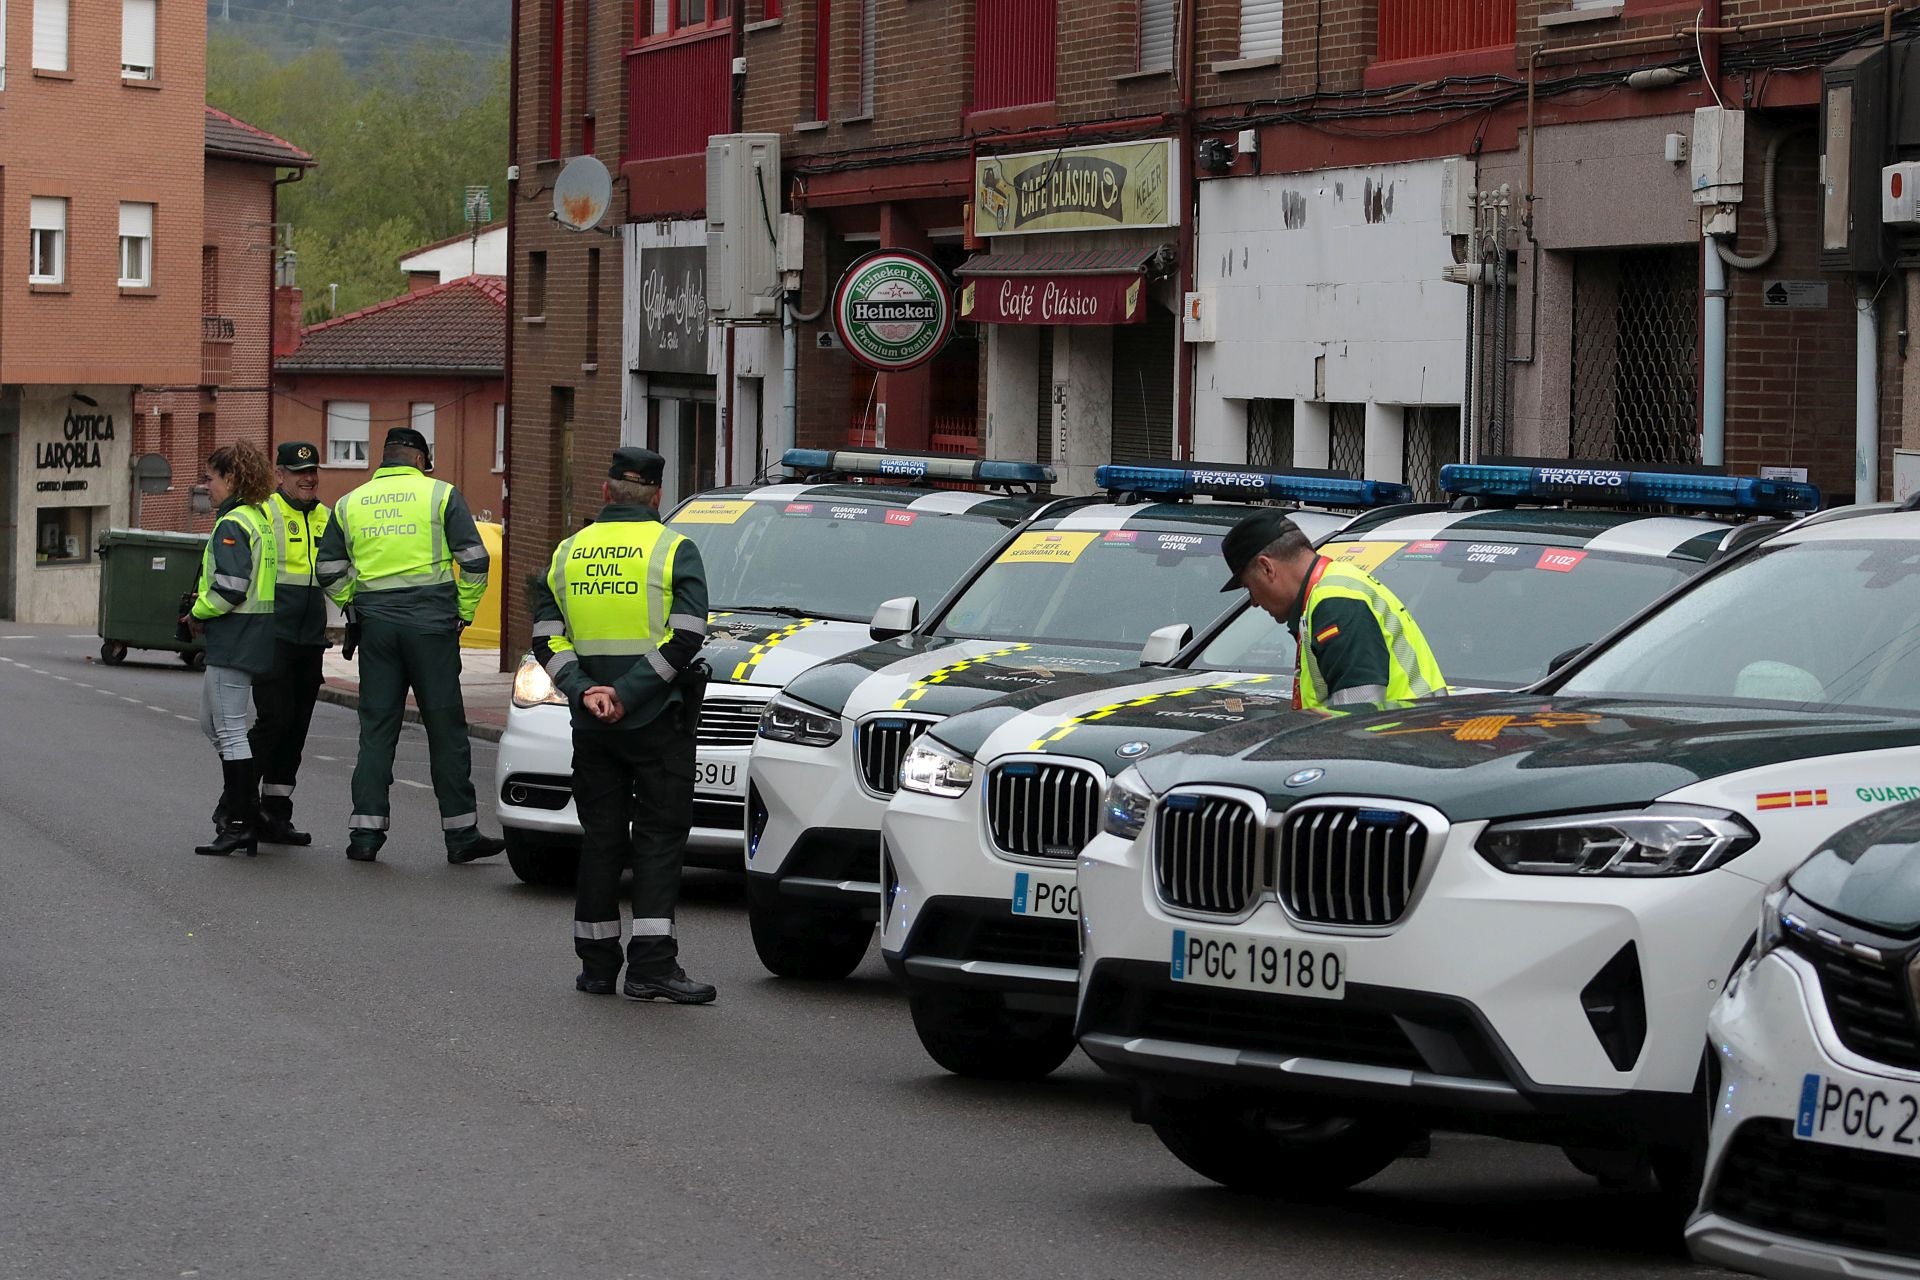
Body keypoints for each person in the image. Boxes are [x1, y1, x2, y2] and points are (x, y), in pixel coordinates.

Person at [529, 446, 715, 1004]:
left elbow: (546, 641)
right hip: (658, 722)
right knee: (658, 842)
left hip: (592, 727)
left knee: (601, 840)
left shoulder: (566, 555)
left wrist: (588, 693)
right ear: (657, 496)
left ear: (607, 492)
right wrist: (628, 695)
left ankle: (596, 967)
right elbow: (686, 637)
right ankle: (652, 967)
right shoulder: (674, 549)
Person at [314, 424, 506, 864]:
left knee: (377, 730)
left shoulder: (349, 503)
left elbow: (328, 568)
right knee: (446, 731)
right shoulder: (440, 495)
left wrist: (353, 604)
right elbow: (475, 561)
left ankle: (364, 836)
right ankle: (460, 836)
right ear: (420, 459)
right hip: (432, 627)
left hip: (377, 629)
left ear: (385, 458)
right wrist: (464, 610)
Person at [1219, 508, 1447, 710]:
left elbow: (1355, 720)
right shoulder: (1334, 588)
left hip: (1399, 749)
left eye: (1250, 587)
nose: (1254, 602)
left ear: (1267, 567)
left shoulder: (1336, 602)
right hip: (1409, 743)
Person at [185, 439, 280, 857]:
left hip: (235, 636)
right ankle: (246, 810)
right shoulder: (255, 517)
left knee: (229, 731)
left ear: (232, 478)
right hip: (247, 636)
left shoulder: (233, 524)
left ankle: (240, 821)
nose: (206, 486)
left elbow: (231, 587)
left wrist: (197, 614)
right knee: (214, 726)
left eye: (211, 477)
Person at [243, 440, 332, 846]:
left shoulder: (329, 518)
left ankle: (276, 814)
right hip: (272, 637)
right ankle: (237, 805)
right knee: (273, 722)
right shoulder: (265, 512)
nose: (308, 479)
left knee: (295, 730)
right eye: (299, 473)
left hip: (310, 641)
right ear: (280, 476)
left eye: (312, 471)